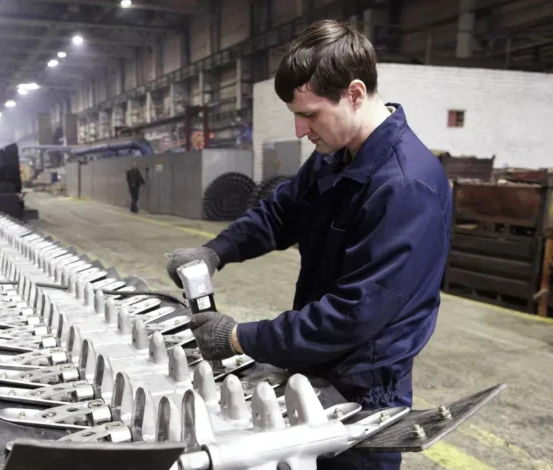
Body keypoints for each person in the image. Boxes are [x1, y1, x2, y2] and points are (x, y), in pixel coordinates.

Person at [165, 20, 451, 470]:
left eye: (310, 114)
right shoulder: (336, 155)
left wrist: (239, 338)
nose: (301, 130)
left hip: (363, 392)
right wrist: (216, 251)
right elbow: (281, 212)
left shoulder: (405, 186)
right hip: (315, 367)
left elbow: (353, 315)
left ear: (354, 93)